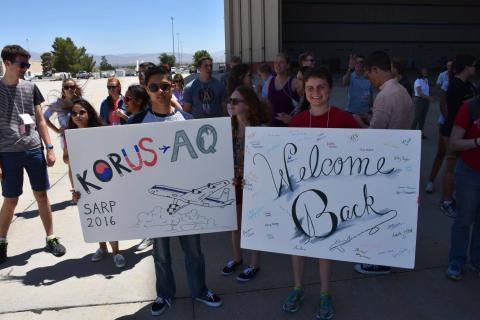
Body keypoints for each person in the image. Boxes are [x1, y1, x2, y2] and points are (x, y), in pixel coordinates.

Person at [128, 66, 222, 315]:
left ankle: (200, 290)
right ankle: (164, 294)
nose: (160, 91)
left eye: (165, 86)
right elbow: (123, 171)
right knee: (160, 254)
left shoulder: (188, 121)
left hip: (188, 202)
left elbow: (205, 164)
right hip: (153, 203)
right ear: (146, 90)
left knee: (194, 251)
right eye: (154, 87)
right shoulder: (135, 123)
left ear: (174, 87)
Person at [283, 67, 359, 320]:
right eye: (310, 88)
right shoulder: (297, 121)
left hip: (333, 194)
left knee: (325, 246)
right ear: (303, 91)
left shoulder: (344, 119)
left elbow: (367, 160)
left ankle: (325, 294)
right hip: (301, 195)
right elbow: (283, 161)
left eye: (321, 87)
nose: (316, 93)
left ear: (330, 89)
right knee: (299, 245)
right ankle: (297, 288)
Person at [0, 45, 66, 264]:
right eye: (22, 64)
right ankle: (1, 242)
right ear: (7, 63)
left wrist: (49, 148)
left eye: (28, 64)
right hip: (8, 153)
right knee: (11, 200)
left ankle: (51, 237)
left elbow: (39, 120)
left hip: (33, 150)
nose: (26, 69)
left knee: (42, 195)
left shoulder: (31, 87)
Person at [353, 51, 413, 275]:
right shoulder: (402, 91)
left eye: (369, 75)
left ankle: (379, 260)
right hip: (399, 157)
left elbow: (375, 136)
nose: (369, 79)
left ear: (376, 70)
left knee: (378, 211)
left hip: (384, 162)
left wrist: (359, 122)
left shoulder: (385, 96)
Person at [67, 99, 126, 268]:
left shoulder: (100, 131)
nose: (78, 116)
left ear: (89, 113)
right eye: (74, 113)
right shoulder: (70, 134)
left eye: (81, 112)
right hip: (83, 182)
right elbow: (68, 161)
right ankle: (102, 248)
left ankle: (116, 252)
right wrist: (74, 187)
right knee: (95, 215)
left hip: (102, 178)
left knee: (108, 215)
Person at [222, 85, 268, 282]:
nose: (230, 104)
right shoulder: (226, 128)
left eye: (235, 101)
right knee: (235, 224)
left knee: (253, 224)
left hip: (254, 184)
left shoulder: (260, 130)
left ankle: (254, 264)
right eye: (229, 101)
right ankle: (237, 258)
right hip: (234, 182)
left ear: (248, 105)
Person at [445, 97, 480, 280]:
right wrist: (477, 142)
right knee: (464, 219)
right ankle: (456, 261)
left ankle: (477, 261)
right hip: (470, 173)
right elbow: (454, 143)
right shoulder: (470, 108)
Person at [439, 54, 478, 217]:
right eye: (474, 65)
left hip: (463, 132)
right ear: (467, 67)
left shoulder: (467, 84)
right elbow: (453, 111)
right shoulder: (456, 85)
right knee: (451, 167)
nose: (475, 69)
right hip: (452, 132)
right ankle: (446, 201)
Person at [43, 78, 83, 199]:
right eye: (66, 87)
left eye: (72, 87)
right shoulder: (58, 104)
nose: (69, 89)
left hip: (81, 135)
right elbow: (44, 118)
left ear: (75, 88)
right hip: (66, 138)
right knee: (71, 165)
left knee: (83, 163)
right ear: (63, 89)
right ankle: (75, 193)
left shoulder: (81, 102)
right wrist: (57, 130)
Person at [424, 59, 454, 194]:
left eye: (451, 67)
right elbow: (442, 104)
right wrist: (449, 121)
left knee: (454, 157)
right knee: (441, 153)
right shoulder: (445, 80)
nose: (449, 69)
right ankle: (431, 181)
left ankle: (450, 187)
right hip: (446, 123)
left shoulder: (467, 84)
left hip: (458, 124)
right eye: (448, 67)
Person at [265, 53, 301, 127]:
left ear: (288, 65)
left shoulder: (294, 83)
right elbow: (268, 104)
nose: (277, 65)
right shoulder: (269, 82)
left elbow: (302, 106)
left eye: (281, 62)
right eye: (275, 63)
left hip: (289, 125)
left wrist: (293, 119)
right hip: (273, 124)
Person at [411, 67, 434, 138]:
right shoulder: (417, 81)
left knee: (423, 118)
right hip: (419, 100)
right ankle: (411, 133)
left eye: (426, 71)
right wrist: (429, 98)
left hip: (425, 100)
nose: (425, 72)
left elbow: (426, 91)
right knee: (417, 117)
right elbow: (419, 93)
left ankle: (420, 133)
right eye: (423, 71)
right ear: (420, 72)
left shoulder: (426, 80)